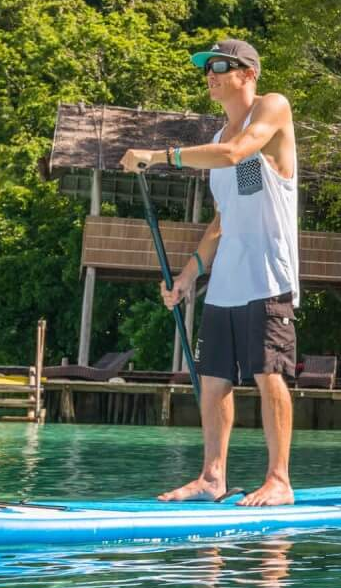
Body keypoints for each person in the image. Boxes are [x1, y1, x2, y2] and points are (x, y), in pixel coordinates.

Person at [121, 39, 300, 507]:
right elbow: (224, 221)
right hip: (226, 285)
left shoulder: (272, 108)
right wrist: (187, 276)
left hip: (268, 278)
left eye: (221, 65)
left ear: (248, 73)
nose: (210, 73)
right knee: (214, 379)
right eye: (206, 67)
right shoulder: (219, 137)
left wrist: (160, 157)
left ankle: (278, 480)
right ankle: (211, 478)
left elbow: (238, 154)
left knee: (268, 375)